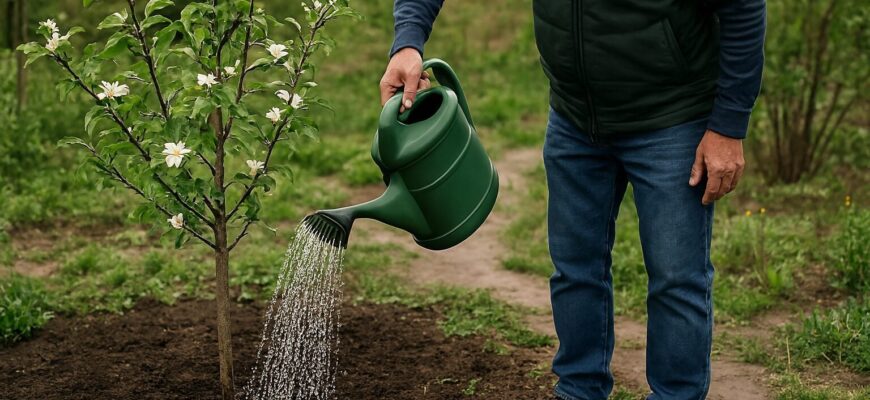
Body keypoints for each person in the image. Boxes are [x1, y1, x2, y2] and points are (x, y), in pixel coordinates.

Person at [379, 0, 766, 399]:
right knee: (575, 270)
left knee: (676, 279)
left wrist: (728, 125)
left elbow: (744, 7)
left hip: (672, 118)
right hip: (575, 118)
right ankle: (580, 390)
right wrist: (408, 42)